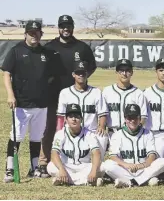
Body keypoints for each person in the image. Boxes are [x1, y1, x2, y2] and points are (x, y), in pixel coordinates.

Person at [39, 14, 97, 178]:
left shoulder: (82, 47)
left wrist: (81, 79)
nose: (66, 29)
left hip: (77, 95)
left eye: (68, 26)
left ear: (72, 27)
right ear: (58, 28)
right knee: (50, 128)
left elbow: (91, 66)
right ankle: (44, 162)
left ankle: (77, 159)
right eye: (63, 26)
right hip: (54, 94)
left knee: (78, 128)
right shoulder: (49, 47)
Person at [2, 20, 59, 181]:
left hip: (41, 103)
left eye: (37, 33)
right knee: (16, 136)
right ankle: (10, 169)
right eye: (31, 33)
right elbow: (6, 73)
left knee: (36, 137)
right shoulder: (16, 51)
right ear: (25, 34)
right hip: (22, 103)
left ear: (41, 34)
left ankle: (34, 167)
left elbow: (52, 75)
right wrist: (10, 95)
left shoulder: (45, 53)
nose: (34, 36)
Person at [102, 104, 164, 188]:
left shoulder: (148, 133)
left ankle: (130, 182)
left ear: (140, 119)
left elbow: (152, 155)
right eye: (129, 118)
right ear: (125, 119)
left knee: (162, 162)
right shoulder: (117, 135)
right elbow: (113, 156)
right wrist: (126, 165)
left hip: (144, 169)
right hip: (125, 169)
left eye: (135, 118)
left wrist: (142, 165)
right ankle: (144, 180)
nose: (132, 120)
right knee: (107, 165)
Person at [56, 60, 109, 159]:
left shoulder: (96, 92)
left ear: (87, 74)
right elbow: (60, 116)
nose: (81, 75)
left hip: (91, 131)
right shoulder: (65, 92)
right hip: (71, 131)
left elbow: (102, 113)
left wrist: (101, 126)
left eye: (83, 73)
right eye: (78, 73)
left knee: (102, 136)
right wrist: (59, 130)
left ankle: (98, 164)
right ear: (73, 75)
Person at [47, 104, 104, 186]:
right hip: (66, 167)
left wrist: (93, 171)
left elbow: (96, 153)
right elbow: (54, 153)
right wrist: (62, 169)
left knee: (102, 167)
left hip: (84, 167)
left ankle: (64, 180)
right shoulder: (60, 134)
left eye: (77, 116)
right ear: (66, 119)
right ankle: (87, 181)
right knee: (50, 166)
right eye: (71, 116)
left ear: (81, 119)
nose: (74, 119)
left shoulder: (89, 134)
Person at [102, 59, 148, 132]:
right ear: (116, 72)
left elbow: (143, 116)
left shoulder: (138, 93)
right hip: (112, 132)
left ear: (132, 72)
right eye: (121, 71)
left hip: (131, 132)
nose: (124, 73)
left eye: (127, 71)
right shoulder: (107, 91)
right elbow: (102, 114)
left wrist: (137, 130)